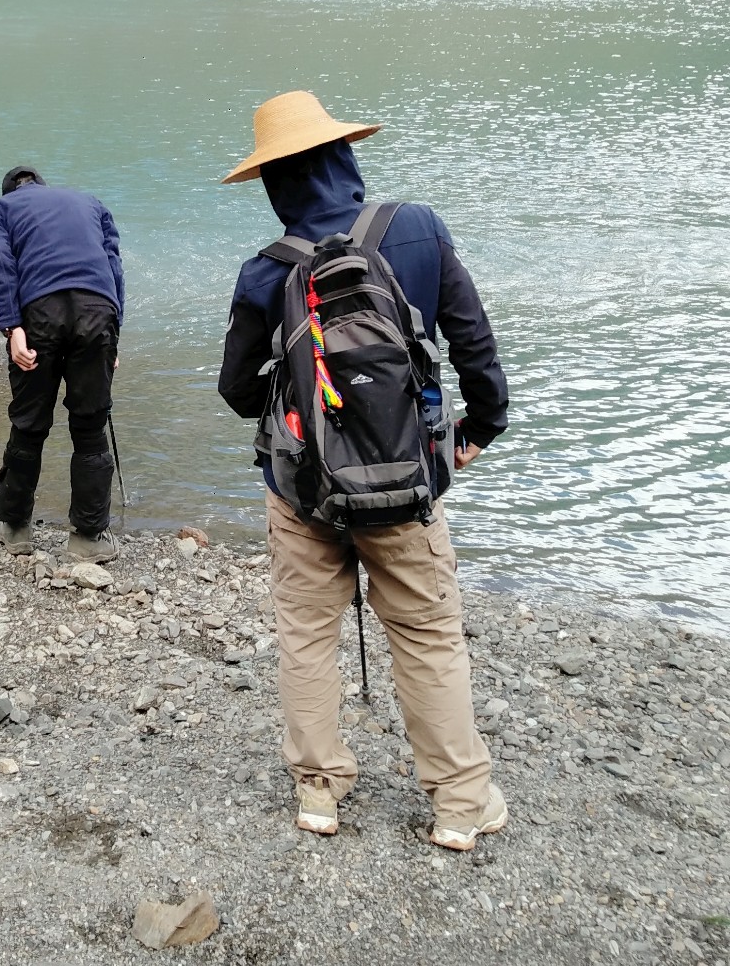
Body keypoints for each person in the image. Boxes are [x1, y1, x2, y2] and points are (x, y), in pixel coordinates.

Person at [216, 90, 510, 852]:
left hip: (304, 491)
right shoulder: (414, 229)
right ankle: (458, 803)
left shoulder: (265, 272)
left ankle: (319, 792)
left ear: (276, 182)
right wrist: (481, 427)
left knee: (307, 634)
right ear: (343, 157)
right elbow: (473, 341)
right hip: (408, 485)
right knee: (427, 635)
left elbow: (235, 390)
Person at [0, 166, 124, 562]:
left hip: (40, 313)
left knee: (29, 422)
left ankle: (15, 527)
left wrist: (12, 328)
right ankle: (88, 538)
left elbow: (1, 267)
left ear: (9, 191)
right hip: (98, 310)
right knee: (91, 424)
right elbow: (113, 264)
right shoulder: (90, 202)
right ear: (41, 186)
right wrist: (115, 333)